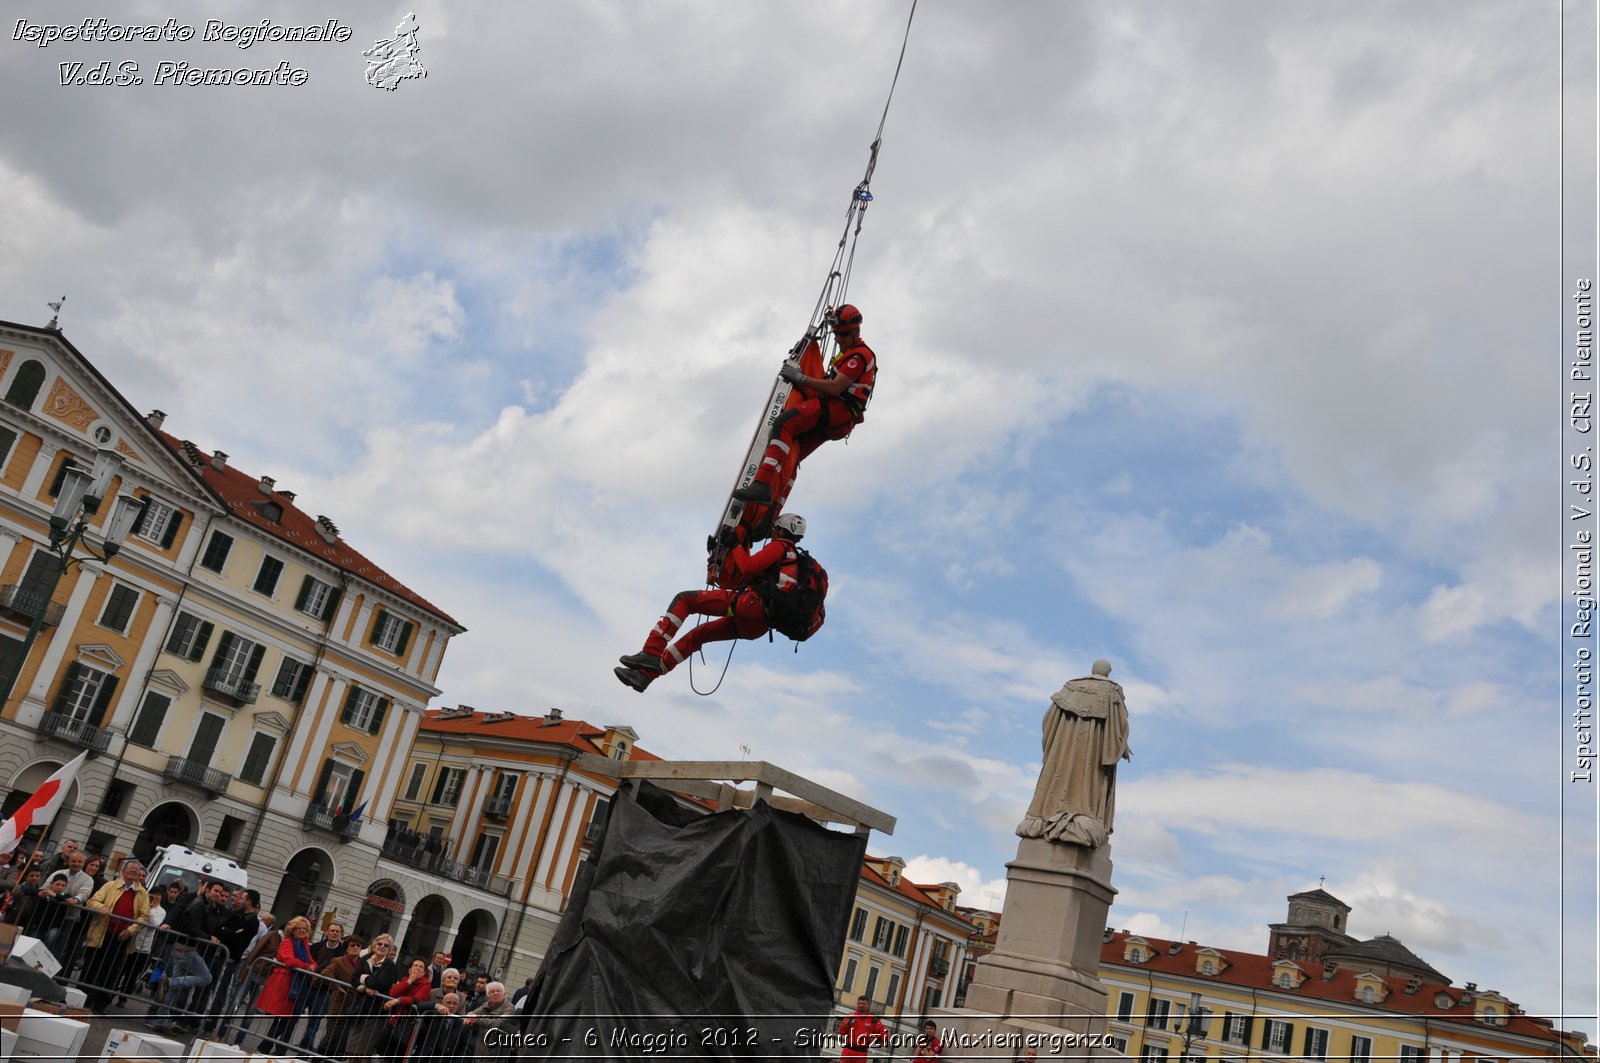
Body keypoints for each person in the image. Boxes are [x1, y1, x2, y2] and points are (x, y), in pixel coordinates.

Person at [614, 513, 823, 692]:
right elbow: (749, 575)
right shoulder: (795, 563)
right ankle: (645, 677)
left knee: (684, 600)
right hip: (758, 625)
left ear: (780, 529)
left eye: (775, 529)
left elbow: (748, 568)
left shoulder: (780, 546)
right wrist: (720, 555)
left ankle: (651, 652)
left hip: (750, 607)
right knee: (698, 636)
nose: (773, 533)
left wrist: (733, 544)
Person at [732, 304, 876, 506]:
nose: (837, 339)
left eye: (842, 335)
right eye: (836, 334)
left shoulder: (859, 356)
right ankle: (770, 513)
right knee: (793, 453)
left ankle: (763, 483)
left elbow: (835, 387)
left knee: (784, 424)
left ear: (856, 332)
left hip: (838, 410)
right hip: (840, 420)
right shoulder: (851, 352)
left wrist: (800, 378)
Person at [1015, 659, 1133, 849]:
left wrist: (1056, 742)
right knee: (1087, 778)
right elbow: (1118, 725)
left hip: (1063, 747)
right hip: (1092, 751)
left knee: (1058, 775)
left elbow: (1049, 719)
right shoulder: (1112, 690)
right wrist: (1122, 746)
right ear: (1107, 672)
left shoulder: (1071, 687)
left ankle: (1046, 815)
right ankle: (1080, 816)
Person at [147, 879, 228, 1031]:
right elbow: (192, 929)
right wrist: (209, 938)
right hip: (186, 949)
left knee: (173, 991)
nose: (218, 894)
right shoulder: (199, 904)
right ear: (207, 890)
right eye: (216, 891)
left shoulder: (205, 904)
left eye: (220, 892)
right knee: (206, 978)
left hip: (183, 948)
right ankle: (170, 983)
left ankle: (160, 1021)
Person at [79, 857, 150, 1010]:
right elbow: (92, 901)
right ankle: (84, 1000)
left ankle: (100, 1004)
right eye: (130, 870)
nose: (133, 873)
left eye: (136, 871)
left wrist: (130, 930)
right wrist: (101, 907)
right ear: (123, 872)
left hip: (121, 938)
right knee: (91, 966)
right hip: (101, 933)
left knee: (110, 971)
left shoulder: (142, 893)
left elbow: (144, 917)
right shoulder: (110, 886)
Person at [253, 914, 318, 1055]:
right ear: (293, 930)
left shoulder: (304, 944)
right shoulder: (288, 942)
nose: (302, 930)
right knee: (283, 1020)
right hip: (286, 984)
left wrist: (311, 965)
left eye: (304, 928)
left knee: (285, 1021)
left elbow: (312, 961)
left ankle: (264, 1048)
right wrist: (308, 966)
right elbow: (289, 960)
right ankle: (263, 1048)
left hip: (296, 985)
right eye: (299, 928)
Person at [345, 934, 401, 1063]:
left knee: (366, 1050)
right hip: (361, 1008)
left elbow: (380, 984)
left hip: (376, 1012)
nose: (382, 947)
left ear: (389, 949)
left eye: (386, 945)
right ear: (375, 944)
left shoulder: (390, 965)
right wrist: (365, 988)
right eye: (379, 944)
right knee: (352, 1048)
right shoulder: (365, 958)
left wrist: (363, 978)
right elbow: (353, 978)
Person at [309, 935, 363, 1057]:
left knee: (343, 1041)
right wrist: (337, 986)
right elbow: (326, 972)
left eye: (358, 946)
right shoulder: (338, 961)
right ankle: (316, 1060)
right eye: (352, 945)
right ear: (346, 948)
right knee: (331, 1037)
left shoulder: (363, 963)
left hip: (354, 1007)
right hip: (339, 1004)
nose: (355, 948)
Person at [380, 957, 435, 1061]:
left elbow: (418, 999)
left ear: (424, 972)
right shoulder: (405, 979)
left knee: (399, 1054)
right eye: (415, 965)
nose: (418, 968)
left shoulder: (426, 984)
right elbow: (393, 993)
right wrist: (410, 980)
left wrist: (399, 1000)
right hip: (397, 1021)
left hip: (410, 1025)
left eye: (421, 967)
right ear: (410, 969)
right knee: (386, 1050)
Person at [463, 981, 518, 1058]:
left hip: (496, 1052)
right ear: (488, 996)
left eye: (498, 991)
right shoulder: (488, 1003)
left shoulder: (509, 1008)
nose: (495, 993)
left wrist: (477, 1020)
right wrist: (469, 1014)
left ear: (504, 994)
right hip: (480, 1049)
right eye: (492, 992)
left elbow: (498, 1023)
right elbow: (475, 1012)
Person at [414, 990, 471, 1059]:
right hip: (425, 1057)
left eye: (455, 1004)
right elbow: (420, 1006)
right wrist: (436, 1006)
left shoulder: (462, 1023)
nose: (451, 1006)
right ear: (442, 1003)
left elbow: (465, 1050)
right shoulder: (433, 1015)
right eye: (449, 1003)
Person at [837, 996, 889, 1060]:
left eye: (864, 1004)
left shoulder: (873, 1019)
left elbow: (883, 1033)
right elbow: (842, 1031)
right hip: (848, 1051)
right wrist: (847, 1023)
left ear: (868, 1005)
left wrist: (877, 1039)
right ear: (857, 1004)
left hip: (861, 1053)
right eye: (860, 1003)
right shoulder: (851, 1016)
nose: (861, 1005)